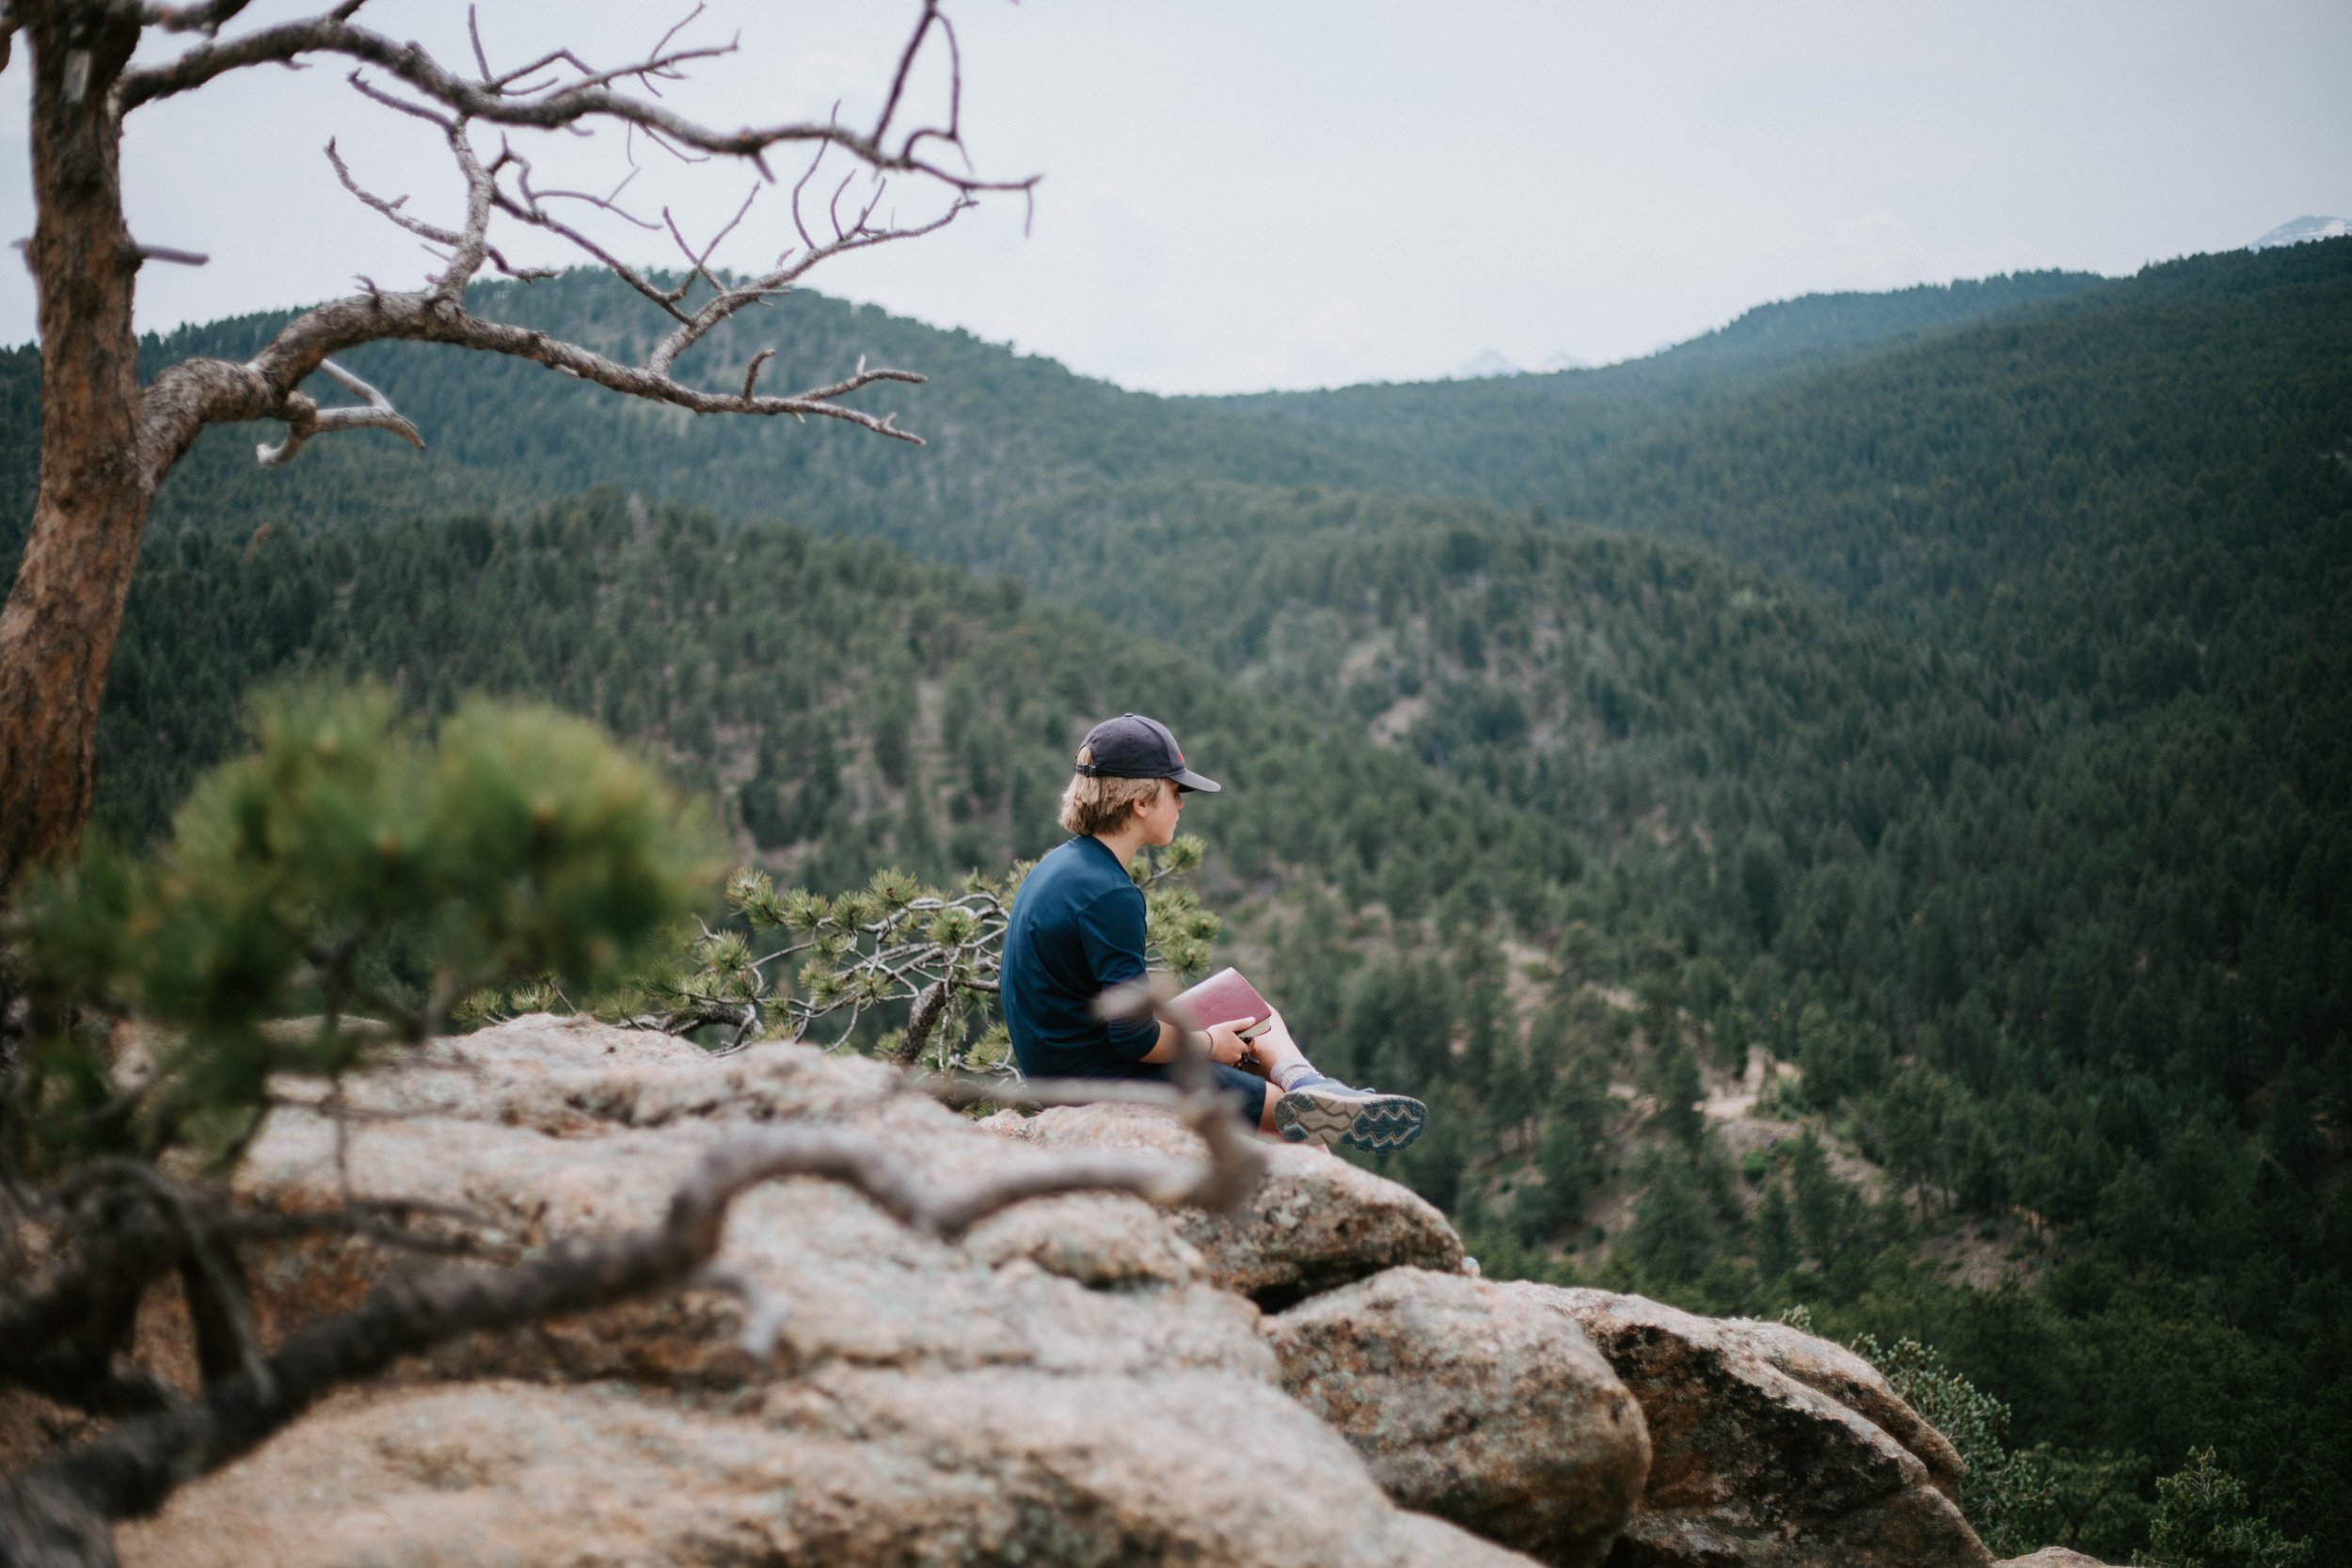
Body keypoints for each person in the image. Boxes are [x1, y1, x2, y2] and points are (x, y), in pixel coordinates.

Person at [999, 712, 1427, 1153]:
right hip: (1099, 1082)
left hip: (1061, 1069)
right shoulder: (1109, 894)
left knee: (1254, 1013)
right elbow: (1133, 1037)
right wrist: (1208, 1045)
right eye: (1175, 790)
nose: (1182, 804)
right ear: (1140, 803)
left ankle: (1314, 1085)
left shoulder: (1058, 867)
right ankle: (1309, 1098)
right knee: (1293, 1125)